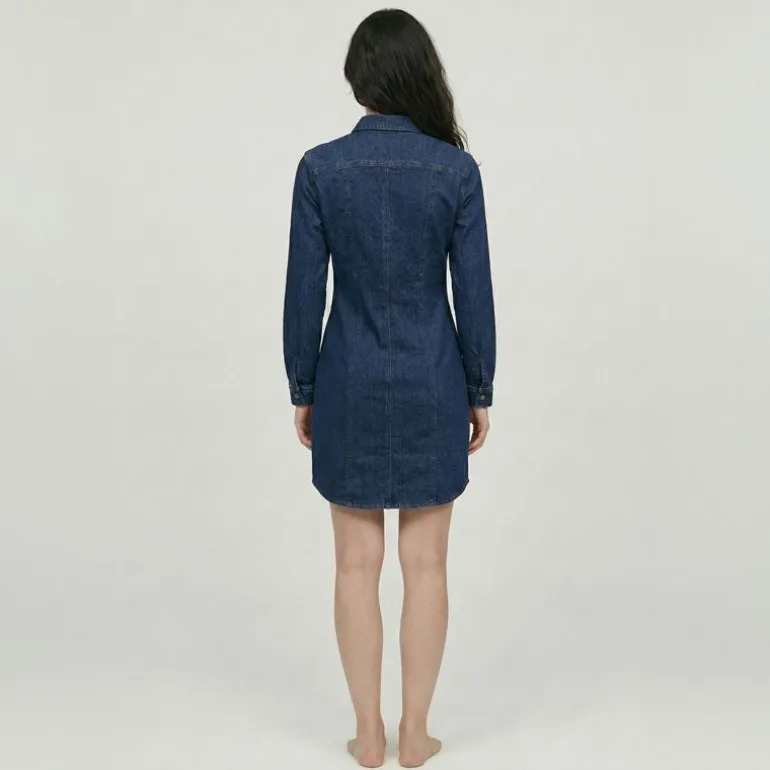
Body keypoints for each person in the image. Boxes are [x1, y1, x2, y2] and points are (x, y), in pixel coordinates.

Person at [282, 8, 496, 767]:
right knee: (428, 566)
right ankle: (415, 733)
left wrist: (303, 385)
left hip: (347, 378)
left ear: (358, 79)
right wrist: (479, 388)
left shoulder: (319, 169)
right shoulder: (455, 172)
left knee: (353, 566)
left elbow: (303, 293)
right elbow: (474, 294)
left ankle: (367, 733)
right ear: (418, 75)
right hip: (433, 380)